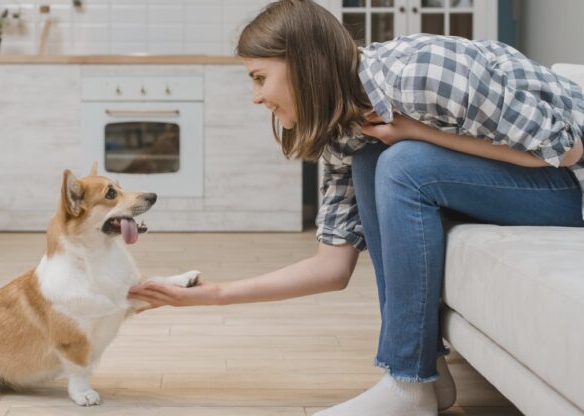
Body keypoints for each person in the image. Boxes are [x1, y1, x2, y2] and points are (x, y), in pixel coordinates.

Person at [128, 1, 584, 414]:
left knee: (401, 161)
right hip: (531, 179)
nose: (256, 97)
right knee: (375, 158)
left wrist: (414, 132)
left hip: (572, 183)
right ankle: (427, 376)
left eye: (259, 77)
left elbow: (564, 151)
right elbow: (333, 266)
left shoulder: (422, 74)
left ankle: (408, 384)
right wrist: (214, 294)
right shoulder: (348, 127)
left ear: (305, 65)